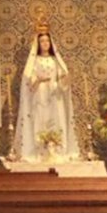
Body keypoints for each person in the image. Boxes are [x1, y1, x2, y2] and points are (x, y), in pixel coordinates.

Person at [15, 28, 76, 161]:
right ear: (38, 44)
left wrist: (64, 78)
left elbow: (62, 78)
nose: (45, 43)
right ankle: (40, 151)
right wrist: (38, 79)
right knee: (40, 118)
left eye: (47, 40)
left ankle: (57, 150)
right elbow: (28, 80)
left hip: (54, 94)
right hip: (40, 94)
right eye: (42, 41)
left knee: (56, 119)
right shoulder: (34, 61)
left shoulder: (55, 60)